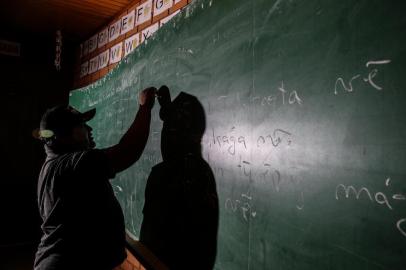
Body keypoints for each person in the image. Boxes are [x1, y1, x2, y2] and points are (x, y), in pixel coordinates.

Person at [33, 87, 156, 270]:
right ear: (65, 135)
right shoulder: (73, 165)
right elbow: (128, 151)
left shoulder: (53, 165)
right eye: (82, 125)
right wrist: (145, 107)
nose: (89, 129)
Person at [140, 86, 219, 270]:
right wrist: (167, 107)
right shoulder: (202, 172)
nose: (165, 135)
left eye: (169, 129)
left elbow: (150, 244)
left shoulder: (165, 174)